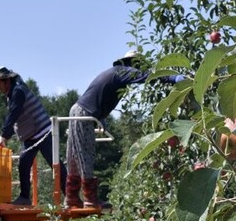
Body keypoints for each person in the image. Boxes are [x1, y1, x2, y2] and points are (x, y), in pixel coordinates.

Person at [66, 50, 185, 208]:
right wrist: (171, 77)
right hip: (84, 113)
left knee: (75, 155)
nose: (139, 68)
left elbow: (99, 95)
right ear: (132, 63)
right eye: (138, 65)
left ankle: (72, 198)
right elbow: (145, 76)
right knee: (85, 153)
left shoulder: (114, 74)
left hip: (81, 111)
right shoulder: (122, 72)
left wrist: (100, 118)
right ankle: (89, 199)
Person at [0, 66, 66, 206]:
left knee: (55, 164)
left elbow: (13, 114)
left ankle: (70, 196)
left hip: (43, 131)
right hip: (30, 135)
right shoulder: (12, 93)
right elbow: (16, 118)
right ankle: (24, 197)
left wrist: (3, 136)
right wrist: (6, 136)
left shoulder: (18, 91)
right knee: (23, 163)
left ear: (7, 81)